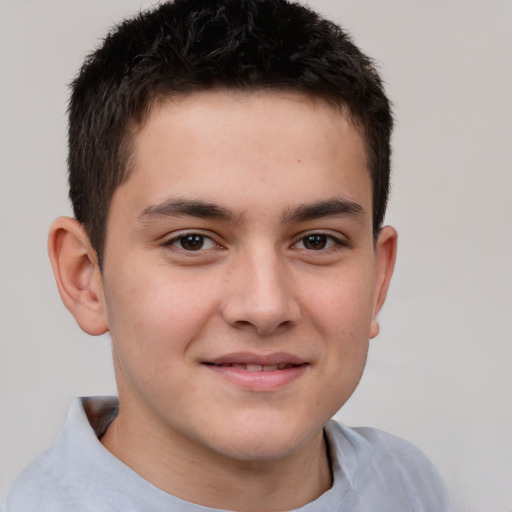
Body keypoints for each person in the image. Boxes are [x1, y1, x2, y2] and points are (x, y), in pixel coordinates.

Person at [2, 0, 450, 510]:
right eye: (192, 241)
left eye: (316, 240)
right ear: (86, 277)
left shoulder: (408, 484)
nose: (265, 307)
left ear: (378, 278)